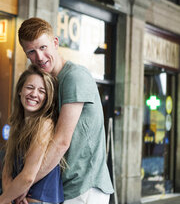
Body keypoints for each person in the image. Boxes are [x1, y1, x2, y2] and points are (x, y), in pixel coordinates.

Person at [15, 17, 114, 204]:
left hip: (85, 188)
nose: (39, 57)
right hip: (65, 188)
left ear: (55, 43)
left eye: (43, 47)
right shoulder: (49, 84)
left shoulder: (75, 77)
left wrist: (24, 184)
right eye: (32, 51)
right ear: (26, 54)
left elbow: (61, 142)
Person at [0, 65, 64, 204]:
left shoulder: (45, 125)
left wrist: (2, 201)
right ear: (20, 91)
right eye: (30, 87)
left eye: (41, 91)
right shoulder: (17, 125)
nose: (34, 94)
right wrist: (12, 197)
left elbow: (28, 176)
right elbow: (7, 172)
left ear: (47, 98)